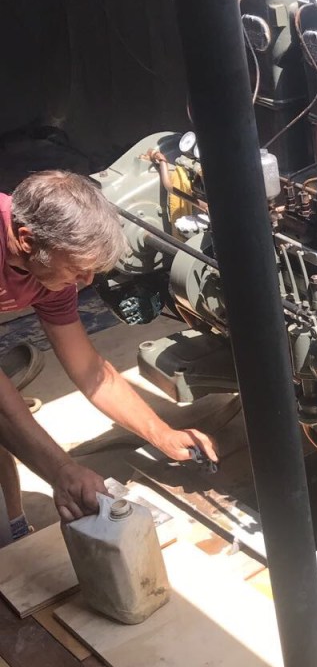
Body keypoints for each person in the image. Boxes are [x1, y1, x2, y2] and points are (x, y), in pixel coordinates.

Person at [0, 170, 217, 531]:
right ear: (26, 239)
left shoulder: (49, 270)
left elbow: (90, 369)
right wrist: (61, 469)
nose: (85, 282)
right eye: (76, 269)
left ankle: (13, 525)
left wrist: (161, 433)